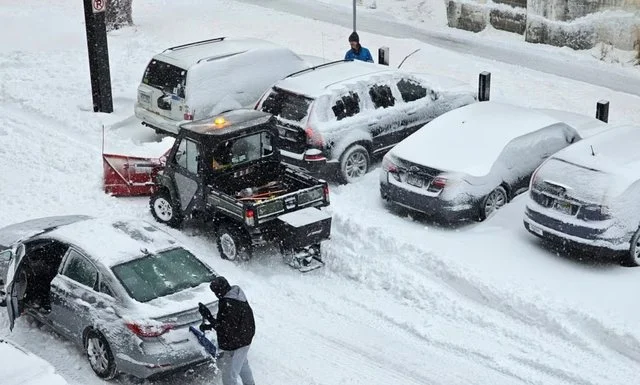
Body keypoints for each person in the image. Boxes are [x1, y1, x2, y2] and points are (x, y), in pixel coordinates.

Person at [200, 276, 256, 385]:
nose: (216, 295)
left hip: (235, 343)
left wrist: (209, 317)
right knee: (243, 365)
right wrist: (209, 325)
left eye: (216, 292)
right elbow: (228, 323)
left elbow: (225, 328)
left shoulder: (229, 304)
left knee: (229, 377)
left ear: (221, 290)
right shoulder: (236, 295)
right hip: (244, 338)